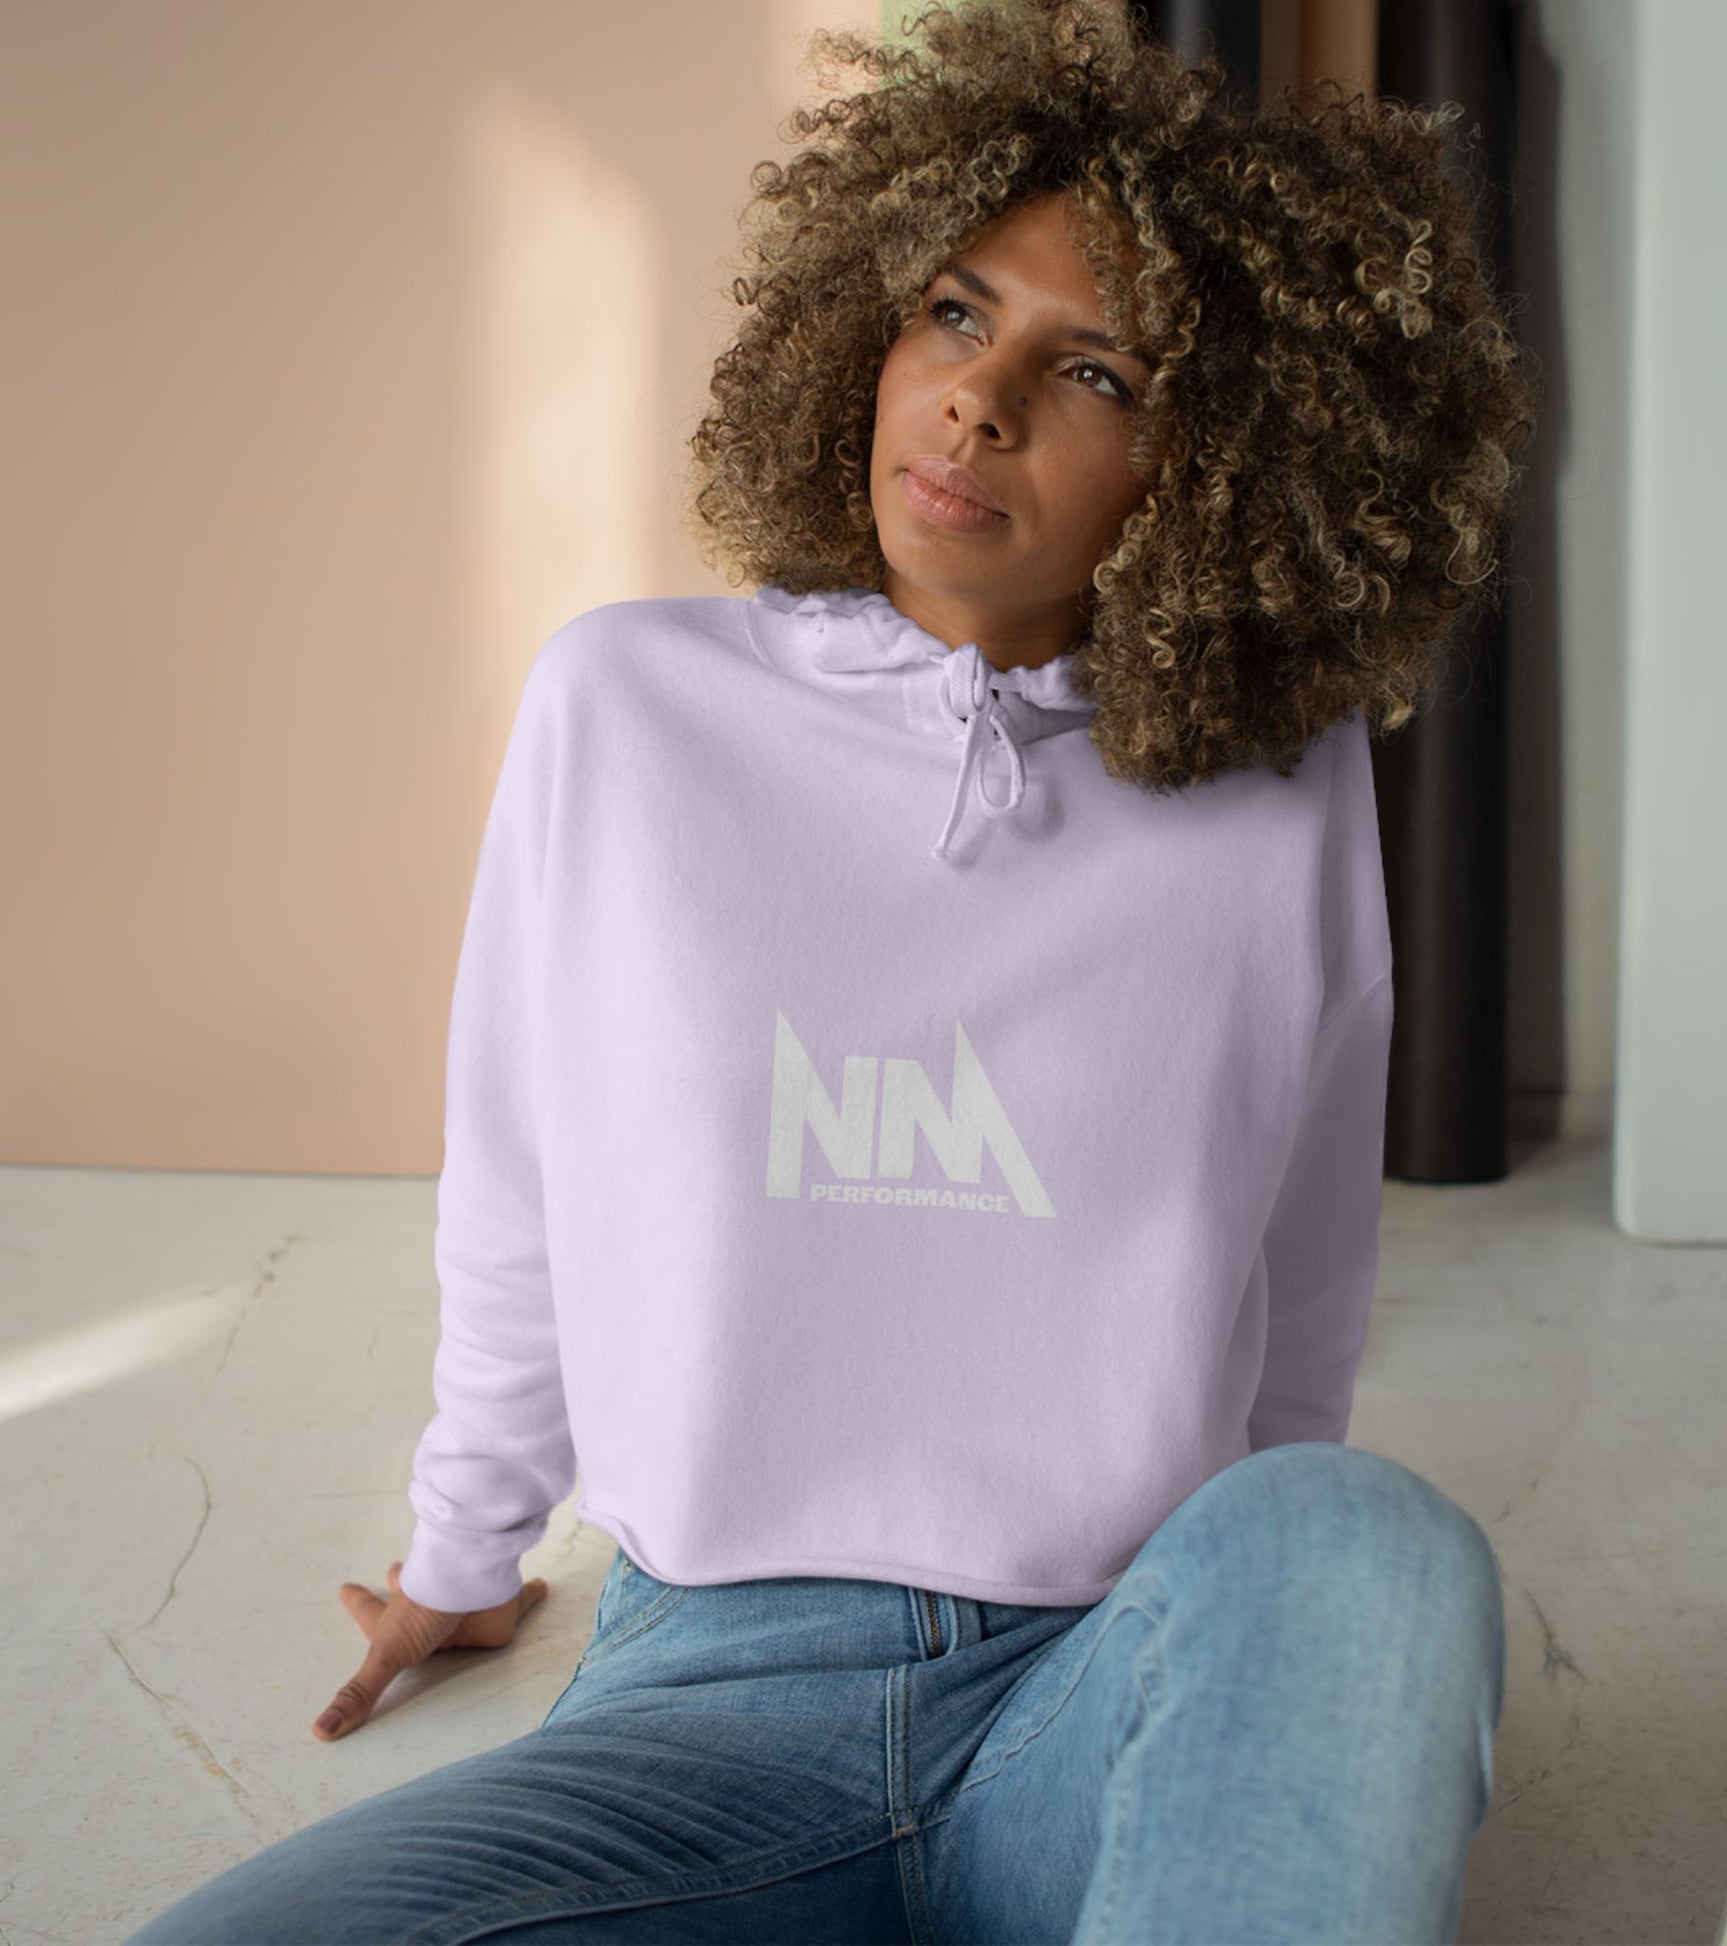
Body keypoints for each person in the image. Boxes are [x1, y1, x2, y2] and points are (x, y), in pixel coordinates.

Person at [125, 1, 1541, 1940]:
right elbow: (523, 1172)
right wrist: (462, 1544)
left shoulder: (1274, 790)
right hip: (708, 1712)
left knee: (1367, 1541)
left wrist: (1257, 1661)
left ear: (1218, 464)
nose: (978, 401)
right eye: (954, 315)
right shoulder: (626, 709)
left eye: (1093, 369)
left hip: (1100, 1680)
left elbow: (1299, 1273)